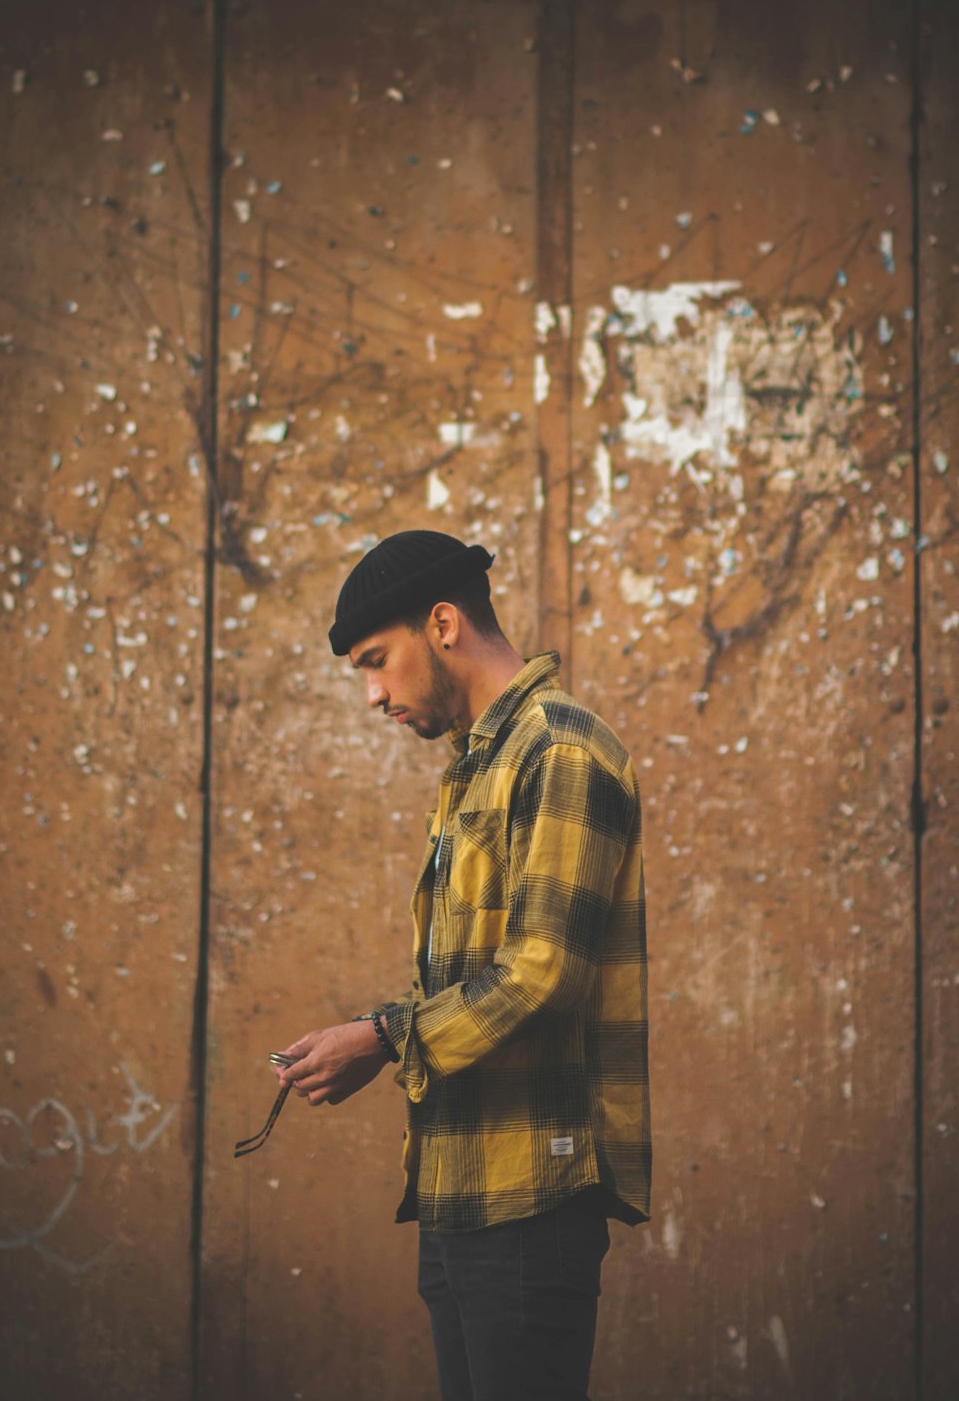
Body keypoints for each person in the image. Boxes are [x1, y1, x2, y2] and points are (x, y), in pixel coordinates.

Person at [275, 529, 651, 1401]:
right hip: (458, 1194)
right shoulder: (475, 766)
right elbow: (467, 977)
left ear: (443, 623)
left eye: (377, 660)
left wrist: (378, 1037)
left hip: (532, 1200)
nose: (372, 694)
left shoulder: (559, 749)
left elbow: (543, 970)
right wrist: (381, 1035)